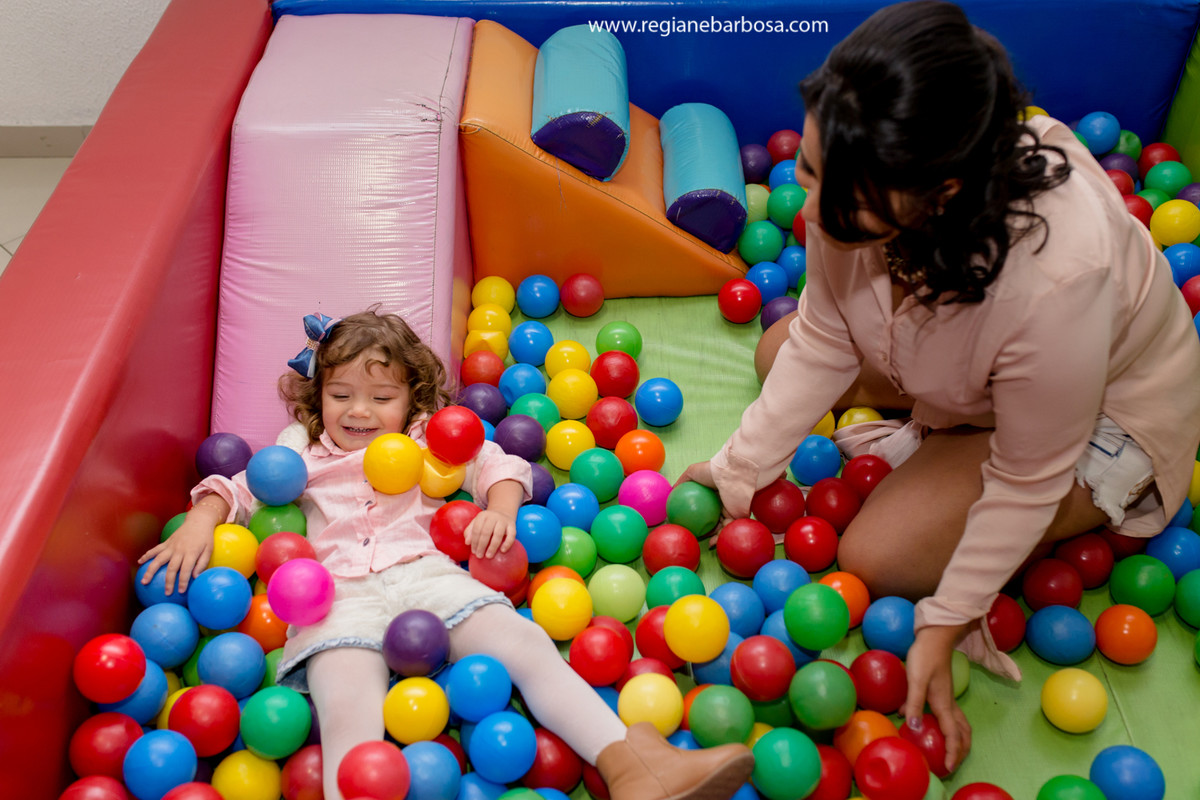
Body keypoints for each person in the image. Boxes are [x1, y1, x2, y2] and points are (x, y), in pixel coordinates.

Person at [681, 0, 1200, 775]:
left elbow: (1027, 475)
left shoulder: (1056, 281)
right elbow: (824, 334)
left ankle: (962, 450)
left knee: (876, 556)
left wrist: (944, 619)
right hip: (972, 360)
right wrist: (739, 468)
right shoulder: (869, 190)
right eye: (810, 167)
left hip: (1102, 411)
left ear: (944, 194)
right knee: (779, 350)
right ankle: (947, 432)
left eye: (844, 196)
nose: (812, 214)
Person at [140, 309, 754, 800]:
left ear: (413, 404)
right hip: (335, 598)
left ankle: (631, 766)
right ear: (317, 396)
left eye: (381, 397)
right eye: (341, 394)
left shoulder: (429, 447)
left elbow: (498, 463)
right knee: (346, 704)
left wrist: (502, 509)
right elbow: (237, 490)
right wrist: (201, 520)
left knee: (525, 644)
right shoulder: (297, 460)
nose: (358, 411)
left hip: (426, 577)